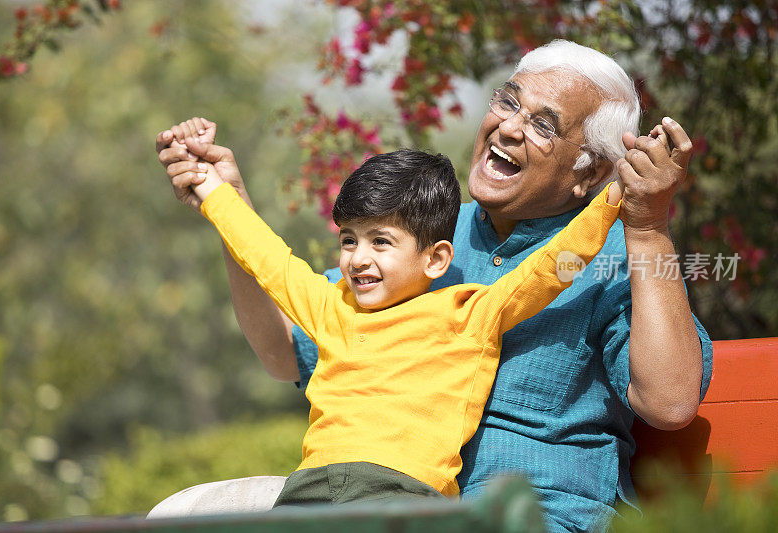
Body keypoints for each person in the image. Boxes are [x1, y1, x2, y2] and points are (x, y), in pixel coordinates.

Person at [155, 40, 713, 532]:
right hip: (388, 509)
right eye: (508, 101)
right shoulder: (426, 234)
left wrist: (645, 227)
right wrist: (228, 207)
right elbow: (285, 348)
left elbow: (669, 402)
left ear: (587, 175)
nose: (511, 126)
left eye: (544, 126)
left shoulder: (616, 257)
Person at [187, 146, 621, 504]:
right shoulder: (331, 305)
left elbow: (552, 267)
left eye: (381, 241)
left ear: (435, 259)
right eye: (349, 239)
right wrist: (211, 188)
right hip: (311, 493)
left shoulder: (469, 315)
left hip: (404, 496)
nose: (358, 258)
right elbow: (266, 257)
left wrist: (619, 193)